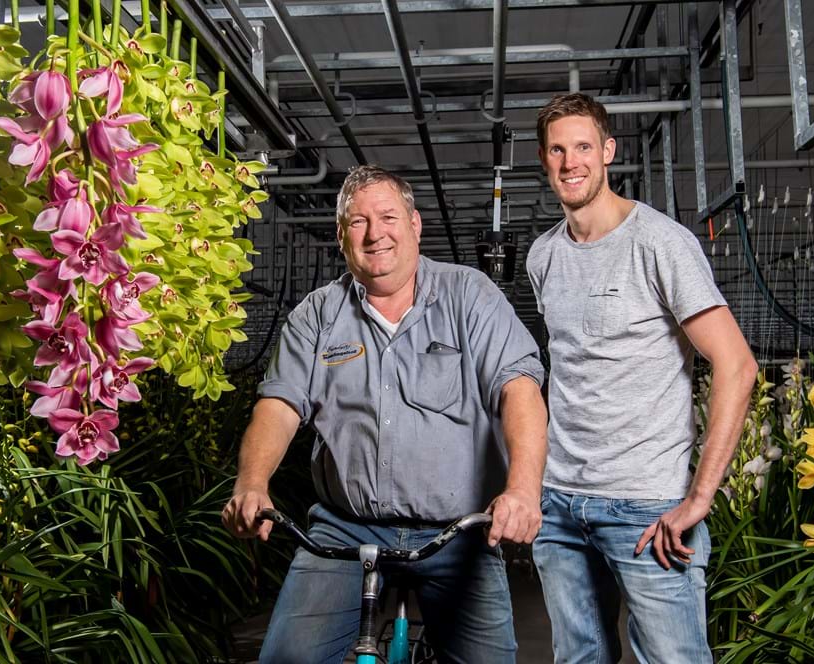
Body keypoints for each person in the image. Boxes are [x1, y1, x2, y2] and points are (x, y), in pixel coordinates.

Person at [222, 165, 548, 664]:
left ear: (415, 224)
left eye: (388, 216)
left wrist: (523, 491)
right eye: (358, 222)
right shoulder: (317, 314)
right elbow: (280, 405)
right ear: (341, 236)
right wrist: (252, 482)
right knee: (287, 658)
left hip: (456, 531)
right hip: (345, 528)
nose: (375, 234)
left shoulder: (469, 296)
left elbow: (519, 390)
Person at [526, 93, 758, 663]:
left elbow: (737, 365)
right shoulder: (543, 257)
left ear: (608, 152)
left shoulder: (659, 243)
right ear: (544, 159)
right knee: (579, 657)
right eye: (557, 149)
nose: (570, 161)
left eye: (583, 147)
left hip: (645, 506)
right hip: (559, 505)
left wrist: (699, 497)